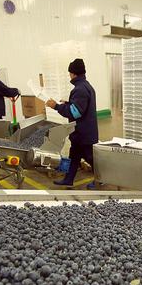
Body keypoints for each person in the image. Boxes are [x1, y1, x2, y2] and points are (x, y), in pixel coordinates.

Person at [46, 59, 99, 188]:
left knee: (90, 158)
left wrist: (56, 107)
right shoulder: (86, 86)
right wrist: (68, 103)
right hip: (82, 132)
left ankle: (102, 179)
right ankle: (68, 179)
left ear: (73, 74)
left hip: (83, 133)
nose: (69, 75)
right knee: (74, 156)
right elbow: (79, 107)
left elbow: (75, 113)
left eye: (69, 73)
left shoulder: (79, 89)